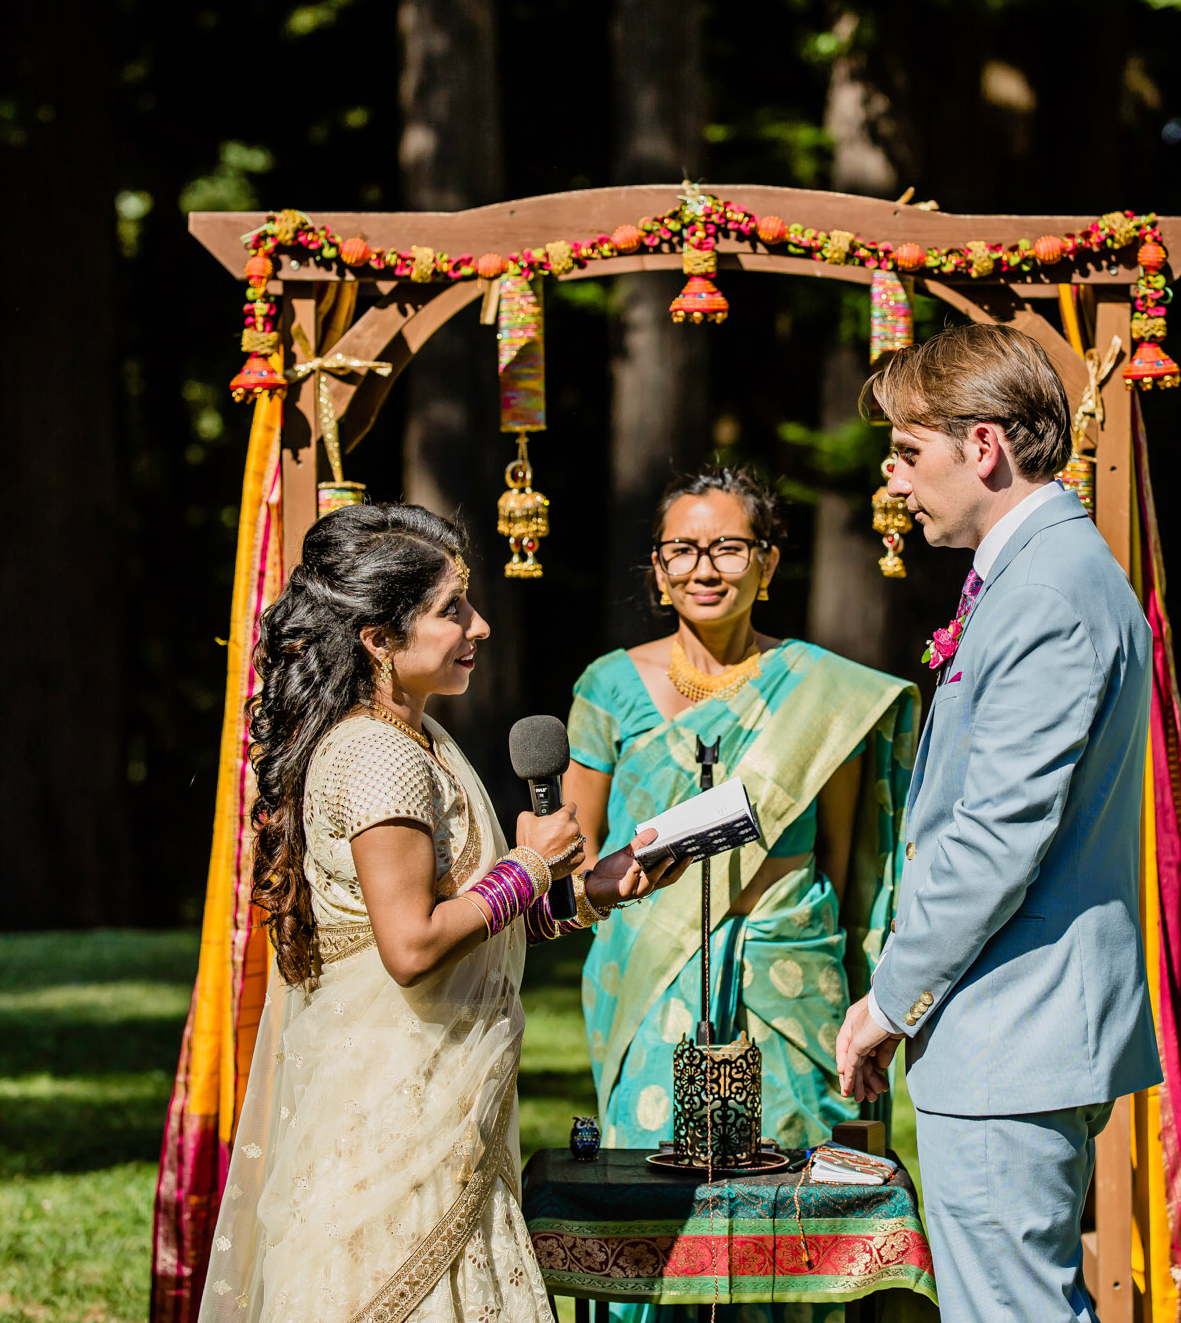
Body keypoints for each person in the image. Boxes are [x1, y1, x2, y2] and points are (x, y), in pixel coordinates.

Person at [196, 504, 685, 1323]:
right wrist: (530, 865)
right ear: (378, 639)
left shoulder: (412, 736)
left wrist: (585, 892)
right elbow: (413, 945)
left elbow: (461, 916)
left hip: (443, 1101)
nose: (480, 626)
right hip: (396, 1113)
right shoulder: (378, 752)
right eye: (451, 607)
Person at [835, 325, 1163, 1323]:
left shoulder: (1051, 592)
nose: (893, 480)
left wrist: (889, 999)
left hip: (1011, 1023)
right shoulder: (1045, 572)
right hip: (1018, 1018)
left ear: (981, 446)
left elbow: (994, 837)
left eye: (906, 451)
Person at [563, 466, 919, 1171]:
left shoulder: (821, 690)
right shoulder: (608, 687)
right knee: (653, 1181)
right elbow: (574, 859)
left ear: (767, 563)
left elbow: (844, 863)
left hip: (790, 966)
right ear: (659, 570)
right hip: (653, 970)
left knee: (803, 1185)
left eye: (728, 547)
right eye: (682, 551)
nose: (704, 569)